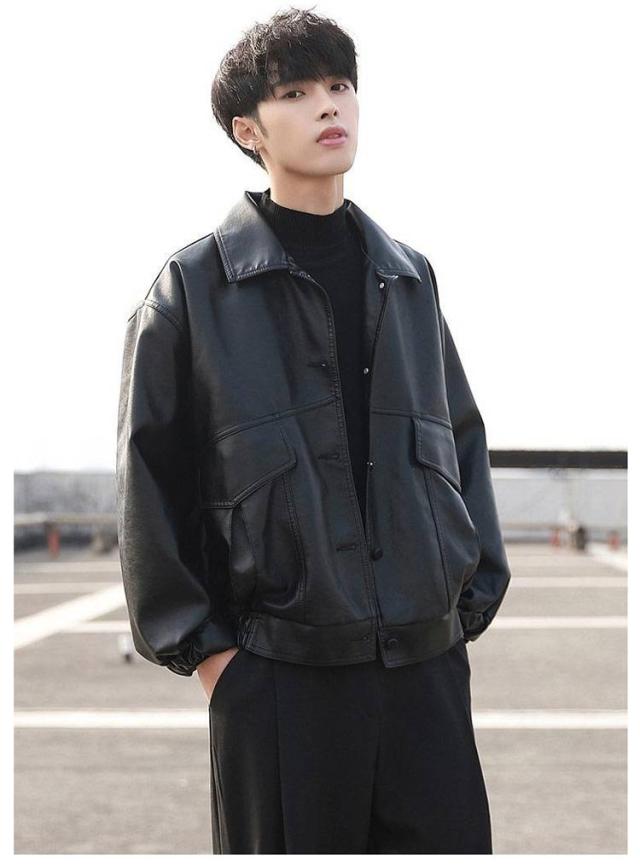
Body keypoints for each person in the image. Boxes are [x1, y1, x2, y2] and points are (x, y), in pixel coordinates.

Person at [116, 6, 511, 854]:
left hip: (425, 674)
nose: (329, 105)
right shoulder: (193, 289)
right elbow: (150, 482)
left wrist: (466, 605)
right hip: (280, 682)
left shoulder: (408, 277)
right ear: (247, 130)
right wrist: (215, 660)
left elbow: (459, 443)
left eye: (339, 85)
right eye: (295, 93)